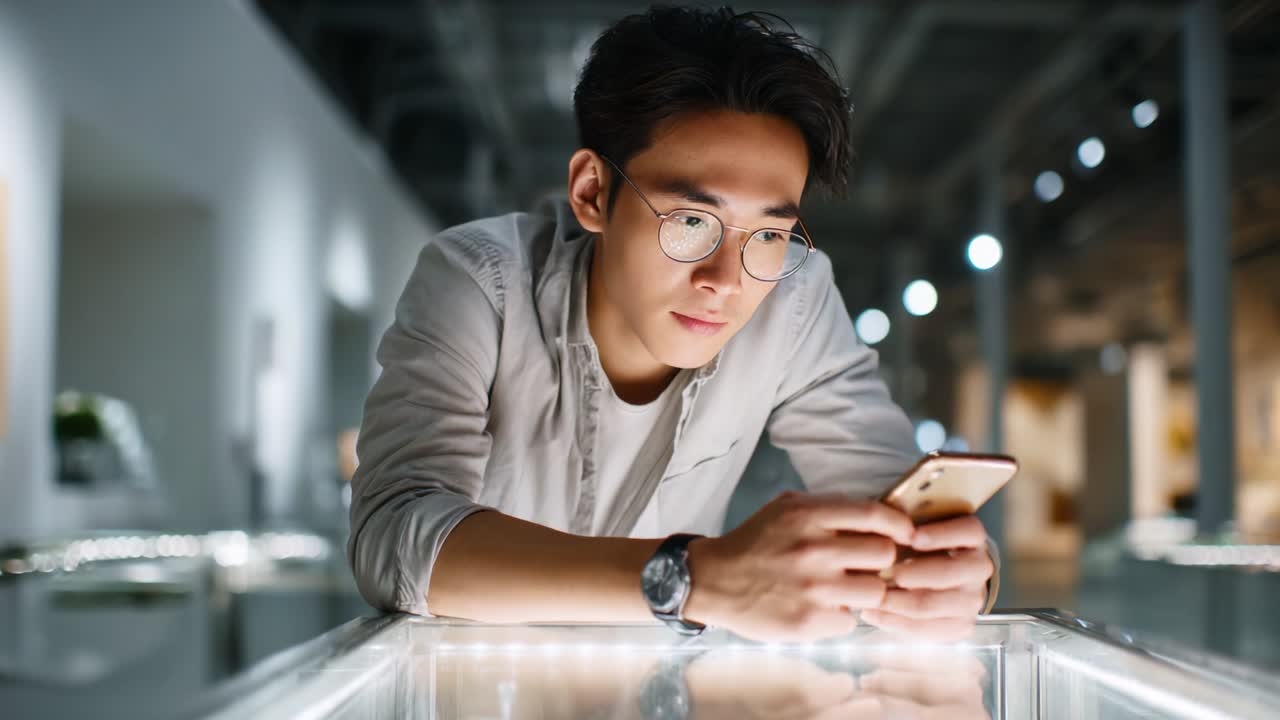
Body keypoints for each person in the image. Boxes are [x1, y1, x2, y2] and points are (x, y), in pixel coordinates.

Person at [348, 5, 996, 643]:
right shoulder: (480, 283)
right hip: (468, 688)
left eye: (769, 232)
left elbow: (898, 502)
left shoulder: (792, 295)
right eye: (690, 221)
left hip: (655, 692)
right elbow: (393, 536)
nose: (726, 279)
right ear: (592, 193)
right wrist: (691, 579)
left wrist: (961, 573)